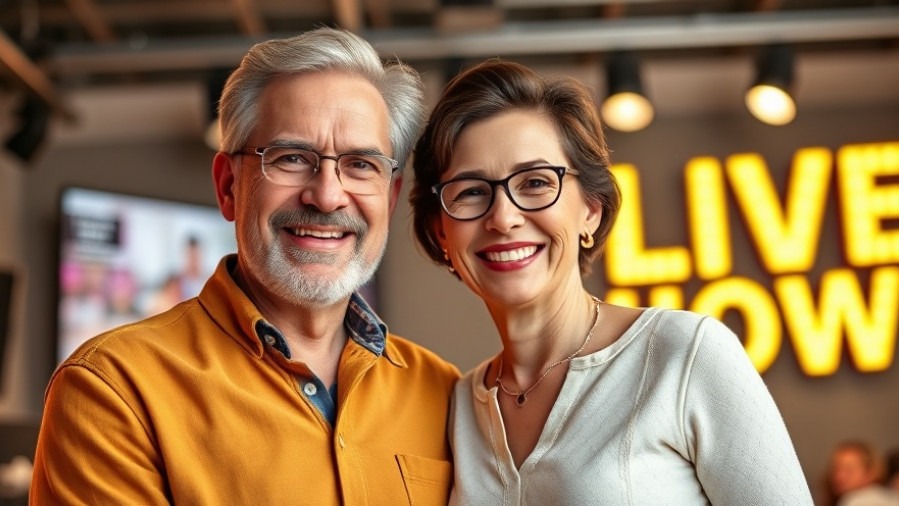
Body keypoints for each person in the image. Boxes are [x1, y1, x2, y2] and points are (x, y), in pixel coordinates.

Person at [31, 27, 460, 505]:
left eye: (361, 164)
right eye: (292, 157)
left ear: (391, 195)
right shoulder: (113, 391)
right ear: (229, 186)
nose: (328, 195)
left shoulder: (447, 396)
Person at [409, 59, 813, 504]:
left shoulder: (684, 354)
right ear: (440, 232)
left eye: (537, 182)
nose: (503, 217)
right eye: (471, 191)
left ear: (591, 210)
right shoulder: (457, 407)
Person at [826, 441, 899, 506]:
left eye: (849, 471)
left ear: (871, 472)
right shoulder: (893, 497)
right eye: (836, 469)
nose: (839, 477)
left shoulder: (855, 501)